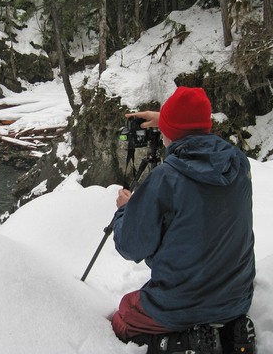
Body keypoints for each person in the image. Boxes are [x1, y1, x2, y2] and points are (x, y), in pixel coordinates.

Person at [109, 86, 256, 353]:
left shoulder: (166, 178)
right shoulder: (238, 162)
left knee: (123, 317)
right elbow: (201, 142)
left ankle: (185, 343)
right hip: (238, 297)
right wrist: (167, 119)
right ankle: (231, 334)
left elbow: (130, 246)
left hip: (181, 303)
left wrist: (125, 210)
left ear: (170, 132)